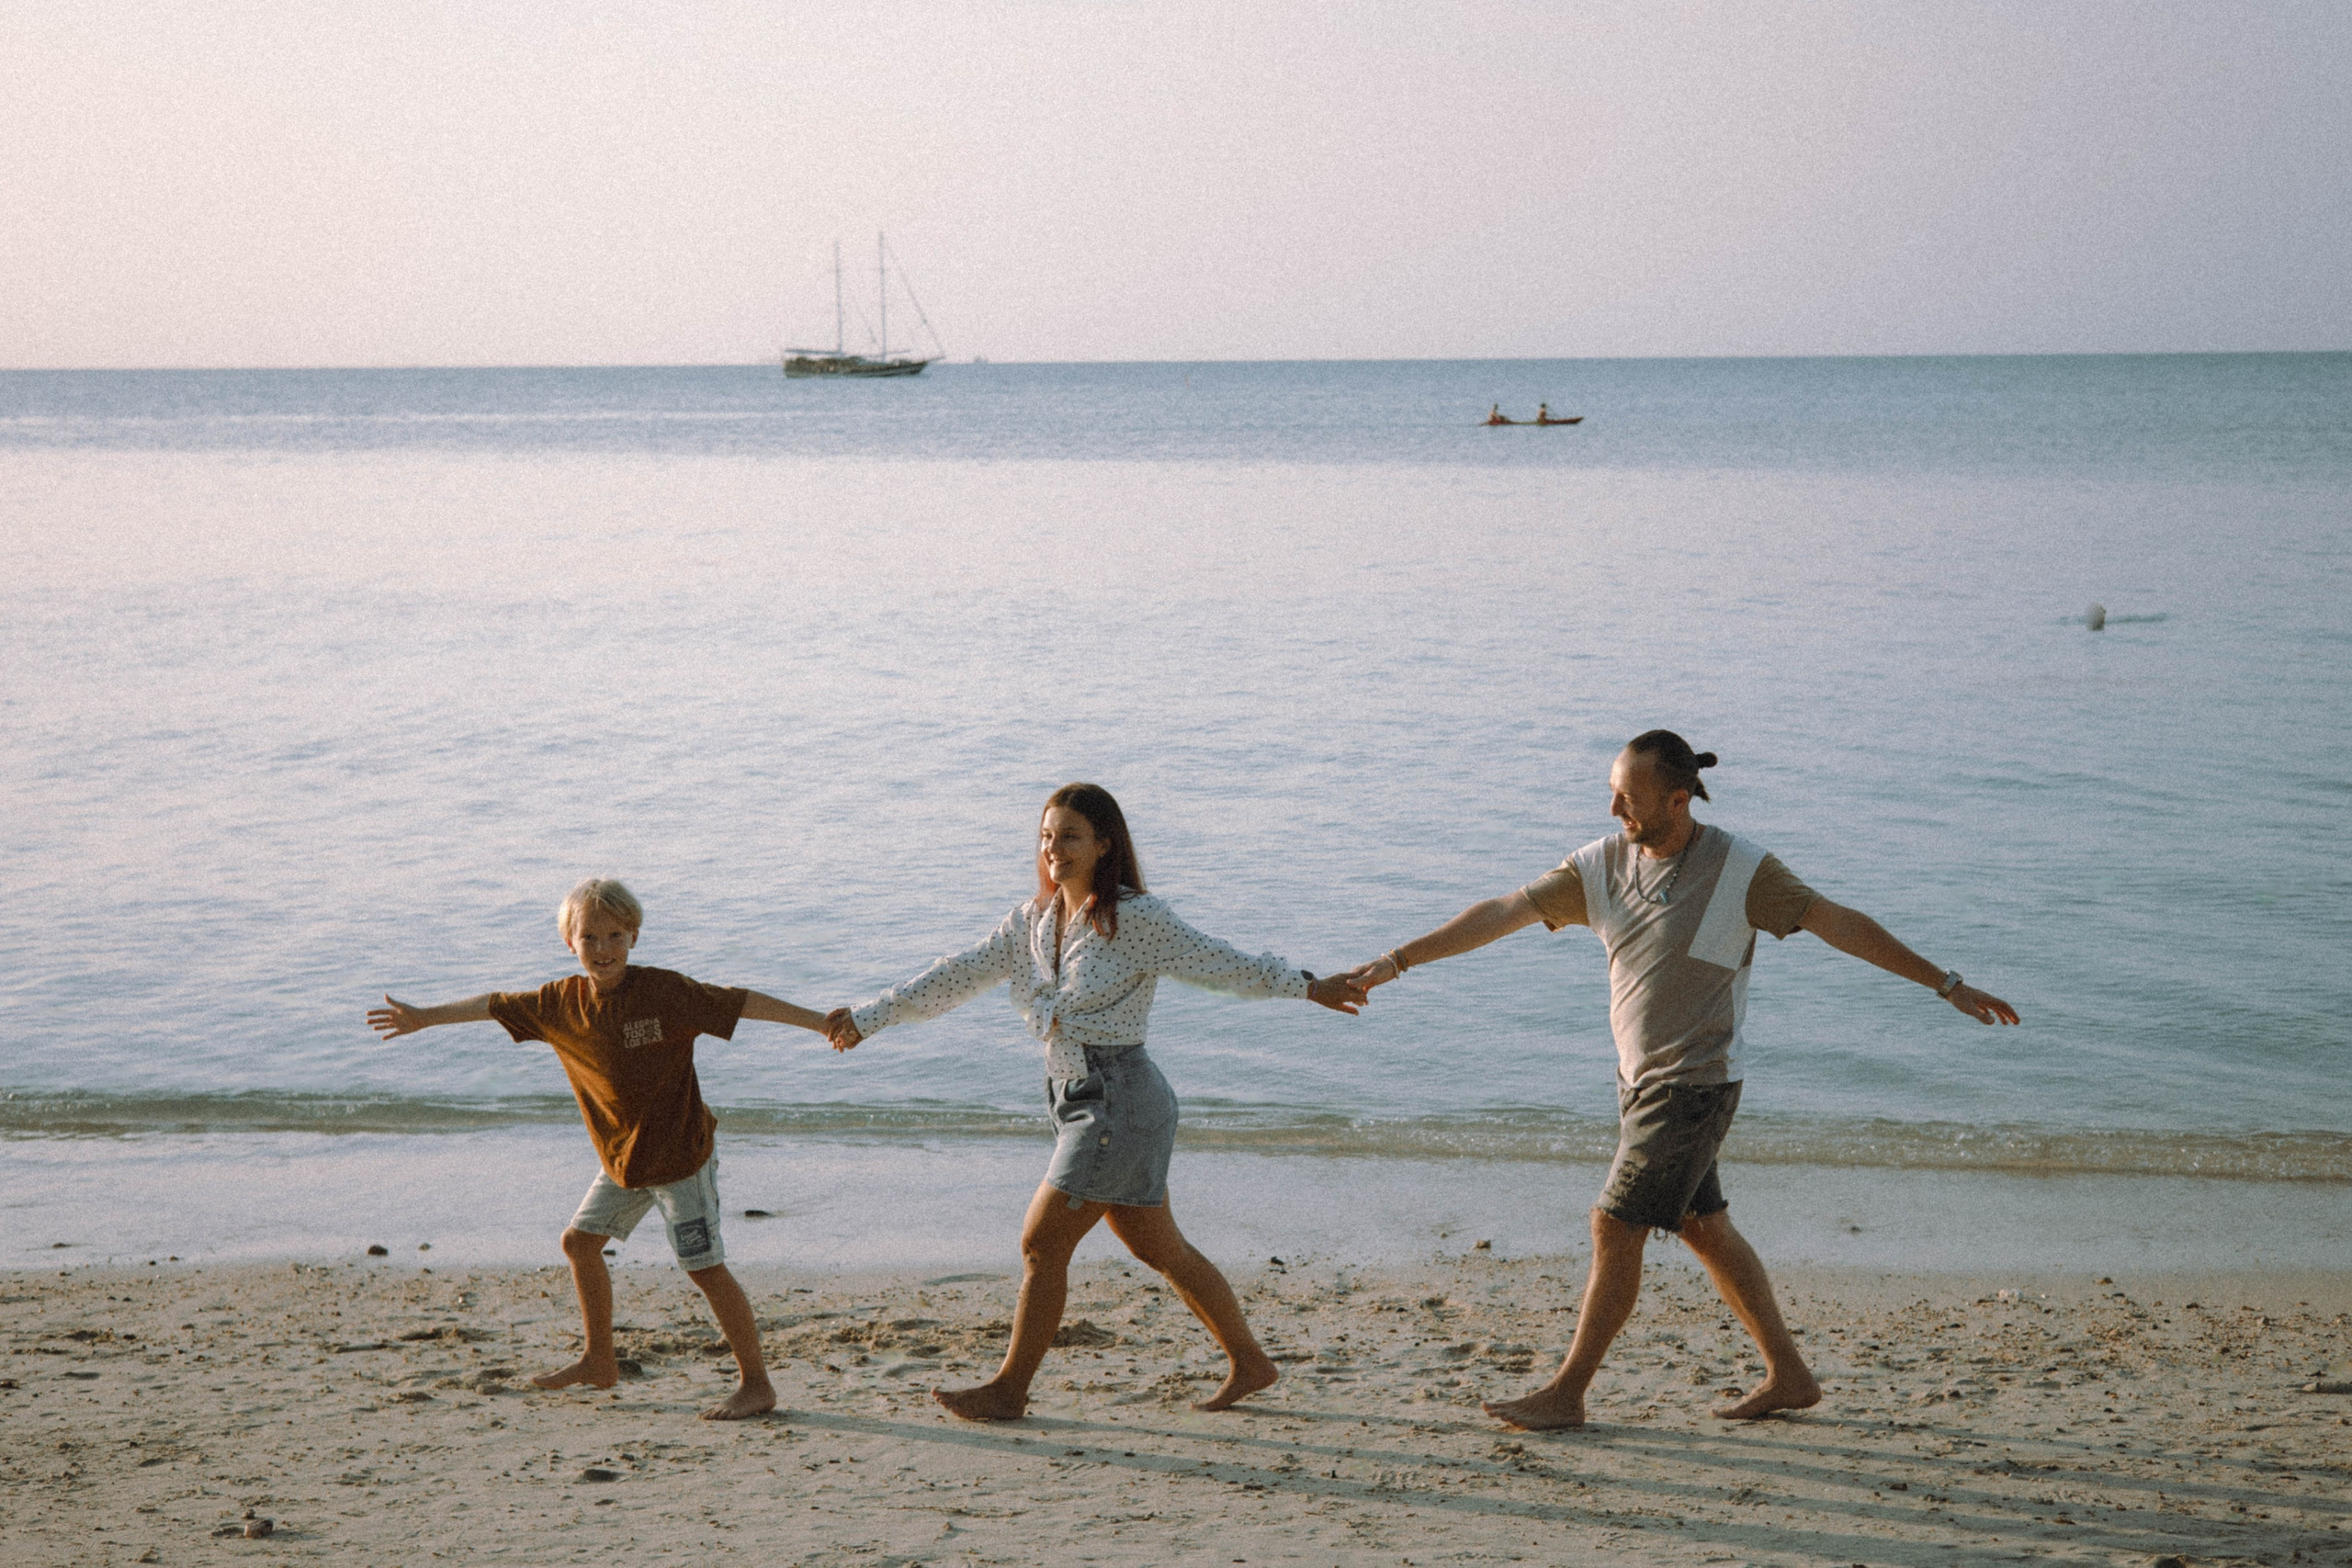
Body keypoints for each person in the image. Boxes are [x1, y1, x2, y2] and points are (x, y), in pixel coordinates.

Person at [1343, 731, 2018, 1431]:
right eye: (1611, 793)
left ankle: (1568, 1390)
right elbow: (1502, 912)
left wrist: (1946, 984)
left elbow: (1837, 923)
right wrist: (1397, 960)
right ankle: (1789, 1373)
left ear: (1677, 798)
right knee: (1704, 1227)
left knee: (1614, 1223)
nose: (1613, 808)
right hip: (1639, 1083)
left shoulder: (1741, 871)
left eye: (1627, 798)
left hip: (1693, 1085)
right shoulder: (1599, 867)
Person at [825, 782, 1364, 1420]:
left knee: (1041, 1242)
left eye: (1071, 836)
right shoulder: (1032, 922)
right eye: (1047, 836)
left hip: (1118, 1100)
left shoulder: (1135, 918)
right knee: (1161, 1249)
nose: (1054, 848)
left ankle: (1009, 1389)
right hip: (1077, 1099)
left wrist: (1308, 986)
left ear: (1105, 845)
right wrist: (868, 1017)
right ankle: (1251, 1361)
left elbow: (1220, 962)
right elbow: (956, 974)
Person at [368, 876, 840, 1420]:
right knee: (580, 1243)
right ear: (571, 942)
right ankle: (599, 1361)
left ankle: (757, 1383)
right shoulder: (558, 1004)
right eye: (589, 937)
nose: (603, 949)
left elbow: (741, 1003)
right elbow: (494, 1004)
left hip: (682, 1158)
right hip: (624, 1162)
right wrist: (424, 1017)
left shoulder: (666, 992)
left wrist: (817, 1023)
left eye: (615, 935)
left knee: (705, 1267)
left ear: (634, 937)